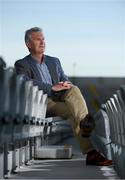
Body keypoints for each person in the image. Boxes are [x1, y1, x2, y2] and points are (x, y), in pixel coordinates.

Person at [15, 27, 112, 166]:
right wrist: (51, 87)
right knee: (75, 108)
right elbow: (24, 82)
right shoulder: (22, 64)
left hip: (59, 99)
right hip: (41, 103)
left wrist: (66, 84)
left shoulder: (54, 61)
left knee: (73, 97)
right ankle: (86, 121)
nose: (42, 42)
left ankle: (90, 152)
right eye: (38, 39)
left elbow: (65, 79)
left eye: (43, 39)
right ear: (28, 44)